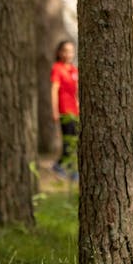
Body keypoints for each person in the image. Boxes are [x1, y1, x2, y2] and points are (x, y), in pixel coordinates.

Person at [50, 40, 79, 181]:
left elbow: (76, 91)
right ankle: (62, 166)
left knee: (76, 141)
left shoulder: (74, 70)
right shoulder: (57, 68)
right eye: (65, 51)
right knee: (68, 141)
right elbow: (54, 90)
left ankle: (70, 169)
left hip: (75, 112)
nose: (68, 54)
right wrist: (54, 110)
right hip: (64, 111)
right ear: (59, 53)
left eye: (71, 51)